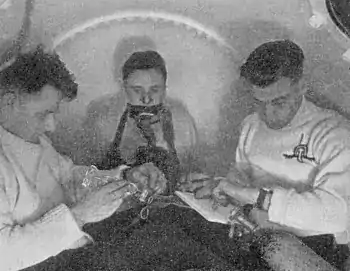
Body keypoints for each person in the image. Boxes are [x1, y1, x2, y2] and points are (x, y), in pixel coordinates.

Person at [181, 39, 350, 269]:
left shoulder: (333, 132)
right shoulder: (251, 125)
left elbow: (337, 214)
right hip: (256, 235)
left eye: (279, 102)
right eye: (259, 102)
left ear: (302, 85)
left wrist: (250, 196)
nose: (268, 114)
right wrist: (220, 190)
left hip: (310, 249)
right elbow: (239, 177)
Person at [0, 45, 168, 271]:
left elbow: (69, 177)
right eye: (43, 114)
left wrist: (125, 176)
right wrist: (78, 216)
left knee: (170, 232)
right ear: (9, 102)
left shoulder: (32, 139)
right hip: (48, 264)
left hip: (76, 249)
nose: (52, 125)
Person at [83, 49, 199, 193]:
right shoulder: (105, 120)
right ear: (124, 87)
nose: (146, 99)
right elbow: (87, 178)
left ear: (165, 88)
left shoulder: (182, 122)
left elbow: (195, 173)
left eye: (155, 90)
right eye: (137, 90)